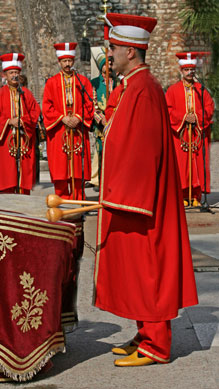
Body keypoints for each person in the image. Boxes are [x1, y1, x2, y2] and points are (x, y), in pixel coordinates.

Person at [93, 13, 198, 367]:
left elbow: (144, 150)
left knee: (148, 267)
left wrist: (121, 193)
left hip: (141, 200)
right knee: (135, 268)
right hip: (132, 196)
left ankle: (157, 344)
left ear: (131, 52)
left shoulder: (144, 89)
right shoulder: (132, 86)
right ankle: (144, 332)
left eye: (114, 48)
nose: (110, 53)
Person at [42, 42, 94, 200]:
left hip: (77, 129)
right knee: (61, 168)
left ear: (73, 62)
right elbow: (46, 106)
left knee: (77, 169)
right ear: (59, 62)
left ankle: (79, 200)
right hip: (59, 131)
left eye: (70, 61)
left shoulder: (83, 81)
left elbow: (89, 104)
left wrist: (78, 117)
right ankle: (61, 200)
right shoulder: (51, 83)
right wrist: (62, 117)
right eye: (64, 61)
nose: (67, 64)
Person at [165, 52, 214, 206]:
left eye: (192, 70)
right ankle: (183, 195)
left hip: (197, 133)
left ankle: (196, 196)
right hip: (180, 134)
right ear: (181, 71)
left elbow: (209, 108)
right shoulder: (172, 90)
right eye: (186, 70)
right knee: (181, 164)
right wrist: (184, 117)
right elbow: (168, 109)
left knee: (198, 164)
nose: (189, 72)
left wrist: (197, 117)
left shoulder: (201, 90)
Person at [0, 53, 40, 194]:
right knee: (8, 175)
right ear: (5, 75)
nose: (14, 75)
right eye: (11, 72)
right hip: (6, 140)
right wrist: (9, 121)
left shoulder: (26, 94)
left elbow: (35, 112)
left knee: (23, 176)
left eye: (16, 72)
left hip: (23, 140)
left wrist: (23, 121)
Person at [89, 53, 115, 190]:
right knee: (101, 152)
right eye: (106, 63)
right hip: (101, 125)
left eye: (111, 63)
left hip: (115, 122)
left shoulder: (117, 82)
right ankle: (100, 181)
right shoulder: (95, 83)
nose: (109, 66)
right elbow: (92, 105)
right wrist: (101, 119)